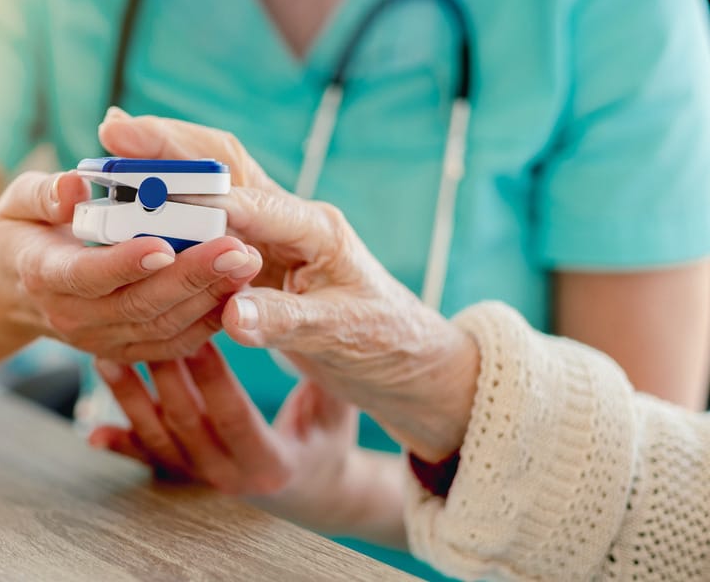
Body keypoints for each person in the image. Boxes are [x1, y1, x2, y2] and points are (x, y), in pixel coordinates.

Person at [0, 0, 710, 576]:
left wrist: (341, 492)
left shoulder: (616, 6)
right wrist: (4, 290)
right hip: (129, 548)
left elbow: (627, 513)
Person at [90, 114, 710, 580]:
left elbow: (635, 517)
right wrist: (328, 487)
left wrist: (430, 382)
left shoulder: (622, 13)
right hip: (146, 528)